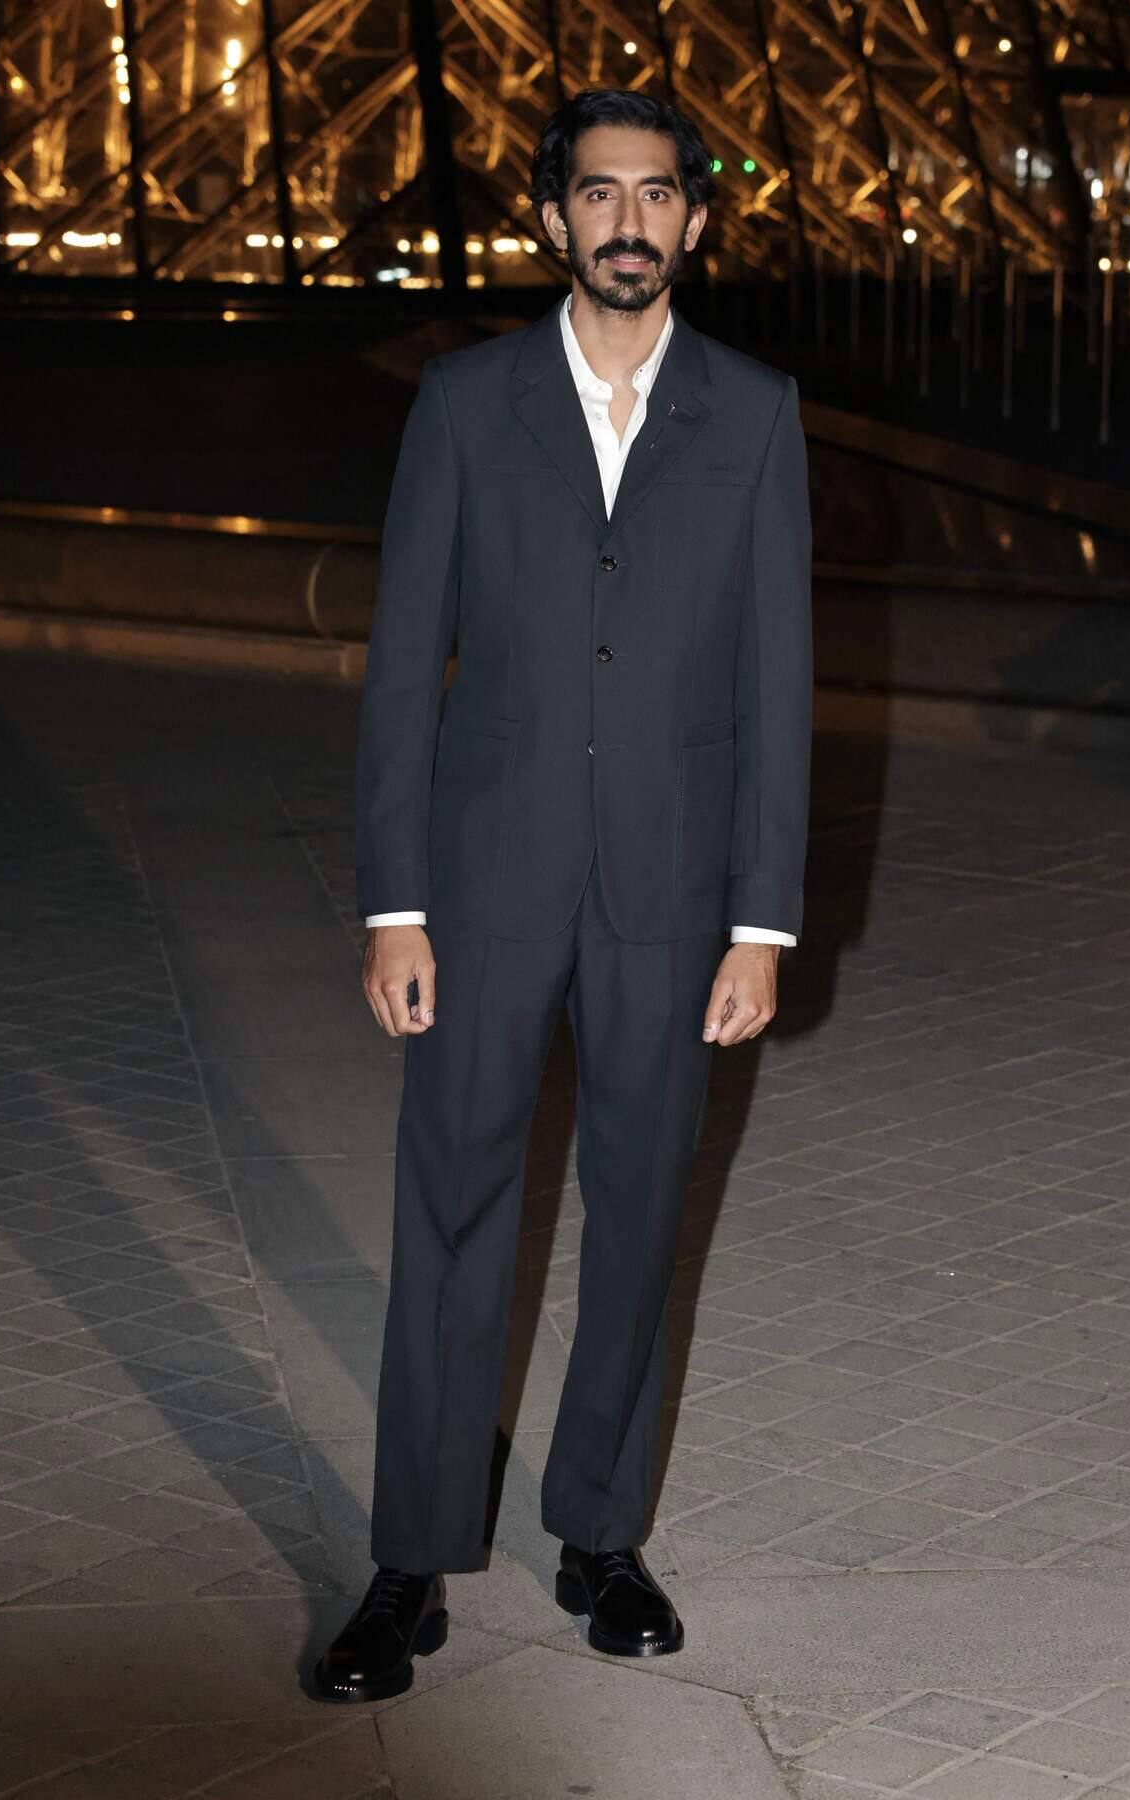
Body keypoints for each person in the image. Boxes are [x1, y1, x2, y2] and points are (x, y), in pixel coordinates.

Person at [313, 85, 812, 1703]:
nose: (627, 223)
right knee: (452, 1207)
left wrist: (763, 920)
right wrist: (395, 899)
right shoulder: (463, 406)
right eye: (598, 195)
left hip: (674, 894)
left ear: (695, 221)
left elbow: (782, 685)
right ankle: (412, 1557)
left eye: (656, 195)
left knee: (645, 1204)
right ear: (554, 218)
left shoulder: (755, 414)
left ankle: (598, 1535)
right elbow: (402, 673)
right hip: (483, 881)